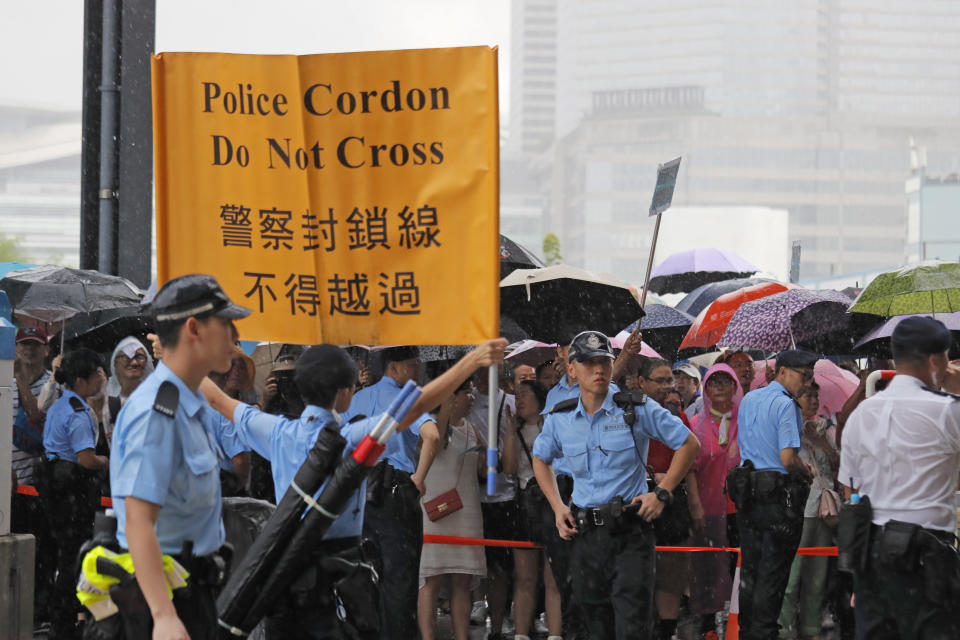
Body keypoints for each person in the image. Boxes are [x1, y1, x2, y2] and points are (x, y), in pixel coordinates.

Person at [532, 331, 700, 639]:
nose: (598, 370)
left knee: (631, 626)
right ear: (571, 369)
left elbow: (689, 444)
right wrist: (557, 507)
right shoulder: (561, 417)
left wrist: (662, 493)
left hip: (630, 533)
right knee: (593, 627)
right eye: (588, 363)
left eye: (604, 362)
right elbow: (540, 458)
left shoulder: (635, 408)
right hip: (585, 535)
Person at [110, 274, 250, 639]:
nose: (236, 337)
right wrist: (164, 615)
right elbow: (139, 520)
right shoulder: (158, 412)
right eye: (226, 323)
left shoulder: (187, 401)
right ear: (194, 328)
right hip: (164, 597)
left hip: (193, 587)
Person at [838, 316, 960, 639]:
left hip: (871, 554)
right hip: (926, 555)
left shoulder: (861, 415)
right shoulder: (948, 410)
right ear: (936, 361)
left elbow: (849, 488)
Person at [343, 345, 433, 640]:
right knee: (399, 579)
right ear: (394, 368)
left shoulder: (357, 398)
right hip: (394, 490)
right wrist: (419, 477)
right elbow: (432, 435)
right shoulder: (406, 397)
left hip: (358, 494)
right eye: (413, 363)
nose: (418, 369)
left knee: (366, 575)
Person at [735, 349, 817, 640]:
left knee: (751, 575)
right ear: (782, 372)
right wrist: (805, 468)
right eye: (803, 376)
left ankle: (748, 632)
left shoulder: (749, 399)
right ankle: (763, 633)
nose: (807, 384)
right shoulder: (787, 405)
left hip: (748, 494)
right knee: (772, 576)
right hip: (777, 498)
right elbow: (786, 458)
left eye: (810, 377)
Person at [39, 347, 108, 639]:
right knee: (74, 558)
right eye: (96, 376)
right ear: (81, 381)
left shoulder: (60, 404)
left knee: (58, 555)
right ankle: (67, 624)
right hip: (72, 489)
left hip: (52, 484)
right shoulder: (79, 413)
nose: (101, 380)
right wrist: (107, 460)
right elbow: (86, 459)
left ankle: (58, 618)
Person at [416, 379, 486, 640]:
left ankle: (461, 635)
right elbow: (438, 437)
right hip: (436, 511)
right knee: (431, 578)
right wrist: (444, 399)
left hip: (467, 511)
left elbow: (485, 468)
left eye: (471, 391)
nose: (471, 397)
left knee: (463, 579)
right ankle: (427, 636)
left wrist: (487, 454)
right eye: (466, 392)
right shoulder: (434, 428)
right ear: (451, 398)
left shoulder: (472, 428)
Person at [502, 380, 563, 640]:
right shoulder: (516, 431)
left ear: (540, 400)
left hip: (552, 504)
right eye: (516, 395)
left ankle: (555, 633)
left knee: (553, 578)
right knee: (524, 577)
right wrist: (509, 433)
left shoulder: (553, 427)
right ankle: (520, 633)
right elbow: (509, 468)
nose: (519, 400)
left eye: (524, 395)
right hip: (525, 506)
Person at [686, 364, 744, 640]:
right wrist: (695, 505)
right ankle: (707, 623)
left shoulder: (745, 422)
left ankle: (738, 622)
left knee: (738, 566)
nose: (720, 386)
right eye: (713, 382)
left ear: (735, 387)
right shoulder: (696, 425)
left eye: (726, 381)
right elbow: (690, 469)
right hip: (707, 506)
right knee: (706, 567)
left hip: (739, 508)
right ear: (705, 389)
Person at [778, 382, 838, 640]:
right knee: (791, 577)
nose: (813, 401)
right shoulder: (784, 425)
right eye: (807, 396)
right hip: (797, 509)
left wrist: (820, 441)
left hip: (825, 511)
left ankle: (811, 628)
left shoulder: (825, 427)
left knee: (817, 575)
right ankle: (785, 629)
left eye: (816, 396)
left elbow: (838, 463)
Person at [639, 357, 693, 640]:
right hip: (638, 500)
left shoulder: (676, 416)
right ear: (641, 383)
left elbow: (689, 458)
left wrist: (669, 479)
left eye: (668, 380)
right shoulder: (629, 413)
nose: (665, 386)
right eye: (659, 380)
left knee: (671, 577)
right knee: (639, 573)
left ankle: (667, 631)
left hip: (671, 501)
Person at [103, 336, 154, 443]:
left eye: (140, 357)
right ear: (115, 363)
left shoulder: (156, 396)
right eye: (127, 357)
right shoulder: (107, 400)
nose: (135, 363)